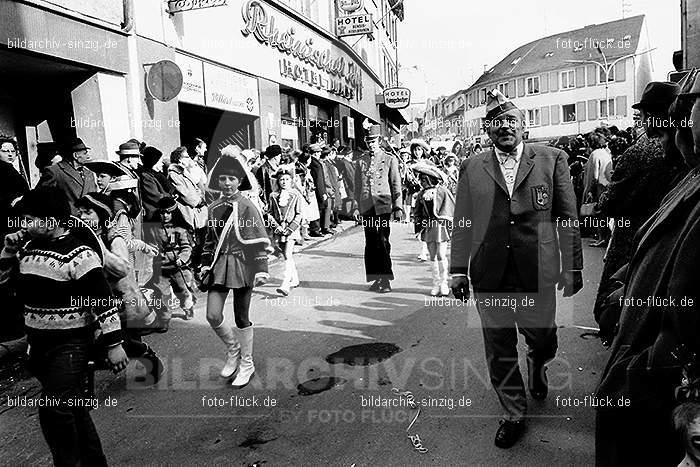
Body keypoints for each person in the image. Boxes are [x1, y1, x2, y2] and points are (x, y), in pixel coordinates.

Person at [450, 89, 583, 448]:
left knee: (543, 338)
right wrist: (457, 269)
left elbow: (567, 218)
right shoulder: (472, 166)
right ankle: (513, 412)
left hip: (536, 271)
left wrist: (573, 267)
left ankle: (538, 365)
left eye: (511, 121)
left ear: (524, 126)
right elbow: (462, 220)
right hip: (489, 274)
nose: (504, 127)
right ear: (487, 129)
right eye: (497, 122)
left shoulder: (552, 158)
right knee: (498, 347)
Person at [594, 72, 700, 467]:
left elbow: (610, 205)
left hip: (660, 380)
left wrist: (645, 363)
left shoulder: (644, 154)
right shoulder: (689, 173)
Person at [0, 187, 127, 466]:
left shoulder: (80, 255)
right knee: (74, 408)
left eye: (30, 219)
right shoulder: (27, 251)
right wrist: (9, 252)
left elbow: (103, 300)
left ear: (52, 219)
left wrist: (115, 344)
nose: (24, 225)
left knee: (54, 408)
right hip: (39, 347)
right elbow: (7, 286)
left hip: (71, 346)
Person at [593, 81, 686, 337]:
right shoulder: (683, 147)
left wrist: (598, 205)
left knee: (617, 304)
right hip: (674, 241)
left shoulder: (640, 152)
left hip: (634, 237)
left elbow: (612, 202)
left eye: (642, 115)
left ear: (649, 116)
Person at [74, 193, 163, 382]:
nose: (83, 217)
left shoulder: (113, 239)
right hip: (97, 304)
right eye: (80, 213)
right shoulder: (82, 238)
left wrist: (100, 249)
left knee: (119, 341)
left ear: (102, 215)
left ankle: (148, 357)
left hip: (121, 303)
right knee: (101, 342)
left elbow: (123, 268)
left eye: (88, 212)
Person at [200, 156, 271, 388]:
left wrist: (261, 269)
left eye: (231, 178)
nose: (227, 182)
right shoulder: (214, 208)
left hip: (243, 265)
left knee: (242, 317)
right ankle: (233, 349)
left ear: (239, 180)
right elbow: (209, 241)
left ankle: (247, 364)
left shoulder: (248, 207)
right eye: (222, 178)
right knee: (212, 315)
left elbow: (260, 241)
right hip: (220, 265)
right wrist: (203, 264)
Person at [354, 124, 403, 293]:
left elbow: (396, 184)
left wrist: (398, 207)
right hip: (367, 207)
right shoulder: (360, 161)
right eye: (368, 141)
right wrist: (356, 208)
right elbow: (357, 187)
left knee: (382, 242)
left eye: (373, 141)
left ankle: (386, 279)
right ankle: (375, 278)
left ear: (379, 141)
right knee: (370, 243)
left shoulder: (390, 159)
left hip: (383, 207)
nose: (371, 144)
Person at [412, 162, 454, 296]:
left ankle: (444, 283)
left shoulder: (443, 191)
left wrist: (444, 219)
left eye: (423, 179)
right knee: (432, 255)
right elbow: (417, 211)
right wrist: (418, 225)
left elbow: (450, 207)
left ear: (431, 179)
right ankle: (436, 283)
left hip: (440, 226)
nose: (421, 182)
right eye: (420, 179)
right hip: (428, 226)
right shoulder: (421, 194)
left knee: (441, 254)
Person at [154, 196, 195, 320]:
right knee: (162, 293)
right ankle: (165, 315)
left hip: (178, 267)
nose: (165, 215)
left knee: (182, 291)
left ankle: (188, 307)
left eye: (168, 212)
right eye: (162, 213)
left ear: (174, 213)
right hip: (161, 268)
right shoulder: (154, 230)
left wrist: (182, 258)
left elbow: (187, 247)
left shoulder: (180, 230)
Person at [266, 169, 303, 296]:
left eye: (287, 179)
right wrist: (276, 227)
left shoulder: (296, 195)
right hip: (279, 230)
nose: (284, 182)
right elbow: (270, 213)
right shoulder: (273, 196)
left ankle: (286, 283)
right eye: (282, 179)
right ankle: (295, 279)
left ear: (291, 181)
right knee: (286, 255)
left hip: (291, 230)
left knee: (287, 253)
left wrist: (290, 228)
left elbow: (299, 214)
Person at [36, 138, 97, 214]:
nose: (88, 156)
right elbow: (40, 197)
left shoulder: (89, 174)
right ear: (75, 155)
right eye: (85, 153)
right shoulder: (55, 171)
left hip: (89, 220)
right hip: (68, 221)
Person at [582, 131, 613, 247]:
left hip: (600, 188)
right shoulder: (606, 153)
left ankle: (601, 238)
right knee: (605, 214)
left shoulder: (594, 155)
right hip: (608, 186)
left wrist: (589, 190)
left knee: (599, 214)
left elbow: (593, 176)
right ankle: (606, 237)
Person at [168, 146, 207, 233]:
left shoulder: (185, 171)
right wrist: (199, 201)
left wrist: (199, 193)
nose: (189, 159)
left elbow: (194, 187)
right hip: (187, 208)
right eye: (186, 157)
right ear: (179, 159)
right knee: (190, 234)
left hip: (194, 208)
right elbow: (185, 193)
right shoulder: (174, 174)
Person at [307, 143, 330, 236]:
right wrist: (322, 192)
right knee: (318, 209)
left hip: (314, 189)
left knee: (317, 209)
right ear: (315, 153)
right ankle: (315, 229)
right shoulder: (316, 164)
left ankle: (316, 228)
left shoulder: (313, 162)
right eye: (319, 151)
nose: (320, 153)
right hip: (317, 190)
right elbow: (319, 180)